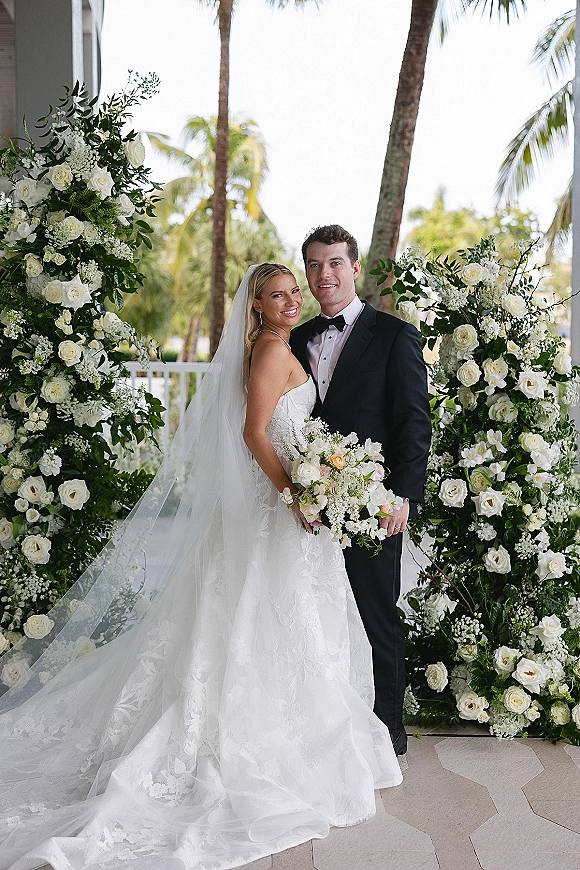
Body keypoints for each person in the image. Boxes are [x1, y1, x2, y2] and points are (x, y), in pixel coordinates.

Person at [0, 263, 402, 870]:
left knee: (290, 624)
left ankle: (299, 735)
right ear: (257, 306)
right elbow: (254, 432)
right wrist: (296, 493)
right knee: (265, 622)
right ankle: (260, 743)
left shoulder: (278, 346)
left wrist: (325, 478)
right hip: (281, 507)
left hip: (296, 506)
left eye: (296, 292)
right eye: (278, 295)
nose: (293, 300)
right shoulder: (270, 352)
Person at [290, 227, 432, 756]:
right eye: (313, 265)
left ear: (353, 269)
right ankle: (327, 730)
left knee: (376, 616)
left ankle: (388, 733)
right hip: (307, 504)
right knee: (315, 615)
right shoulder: (295, 337)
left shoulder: (395, 336)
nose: (323, 274)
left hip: (372, 502)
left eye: (333, 263)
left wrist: (400, 496)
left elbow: (414, 424)